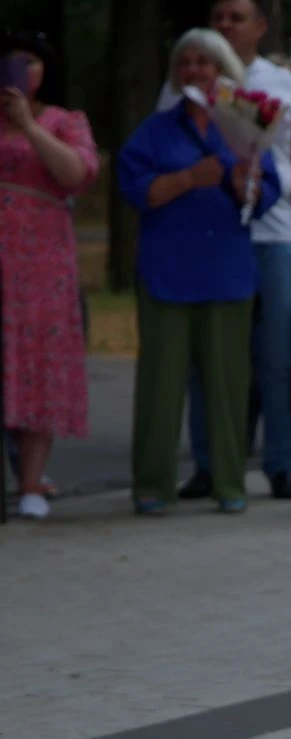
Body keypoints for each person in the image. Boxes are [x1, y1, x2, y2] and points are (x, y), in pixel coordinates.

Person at [158, 0, 291, 503]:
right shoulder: (184, 76)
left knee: (276, 354)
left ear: (261, 26)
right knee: (211, 357)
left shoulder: (281, 84)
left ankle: (282, 463)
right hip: (210, 235)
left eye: (237, 17)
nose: (225, 25)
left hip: (274, 234)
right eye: (218, 16)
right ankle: (210, 464)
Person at [119, 30, 280, 515]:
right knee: (160, 389)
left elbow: (268, 193)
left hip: (227, 272)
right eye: (185, 62)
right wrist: (189, 179)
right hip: (167, 272)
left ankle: (230, 483)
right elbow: (136, 191)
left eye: (204, 63)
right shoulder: (155, 130)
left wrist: (242, 184)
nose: (194, 70)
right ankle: (152, 485)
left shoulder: (245, 126)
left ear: (223, 72)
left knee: (229, 387)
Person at [0, 30, 98, 521]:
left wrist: (27, 126)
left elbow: (77, 173)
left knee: (37, 359)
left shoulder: (66, 121)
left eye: (30, 61)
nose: (20, 70)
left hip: (41, 263)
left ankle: (33, 482)